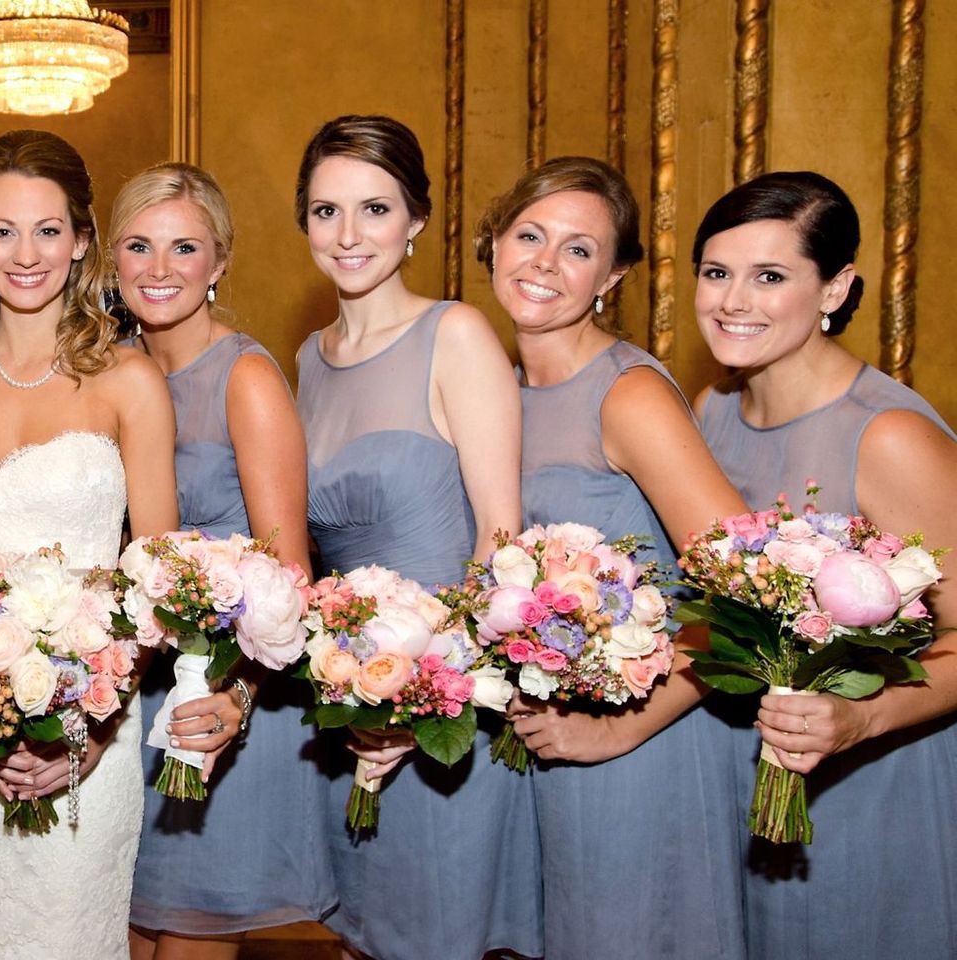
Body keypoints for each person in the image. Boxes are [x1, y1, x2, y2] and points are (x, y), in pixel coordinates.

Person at [0, 129, 178, 959]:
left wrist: (89, 714)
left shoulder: (130, 383)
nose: (26, 253)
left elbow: (154, 571)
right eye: (4, 230)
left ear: (82, 241)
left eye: (48, 230)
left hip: (93, 723)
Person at [480, 156, 751, 959]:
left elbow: (753, 596)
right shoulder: (492, 389)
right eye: (529, 234)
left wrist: (625, 730)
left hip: (641, 747)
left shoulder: (627, 395)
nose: (543, 263)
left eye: (578, 249)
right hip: (537, 744)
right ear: (493, 242)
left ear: (614, 275)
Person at [690, 171, 957, 959]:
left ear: (836, 288)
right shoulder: (711, 410)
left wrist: (859, 719)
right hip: (740, 774)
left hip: (872, 790)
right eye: (717, 273)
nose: (734, 301)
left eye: (770, 276)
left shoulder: (889, 437)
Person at [291, 114, 540, 960]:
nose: (349, 234)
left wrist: (422, 693)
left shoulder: (456, 335)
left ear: (417, 221)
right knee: (365, 936)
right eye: (326, 211)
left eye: (375, 208)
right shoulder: (307, 361)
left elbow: (503, 540)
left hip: (444, 720)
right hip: (346, 708)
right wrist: (355, 689)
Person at [112, 163, 332, 959]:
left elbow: (290, 577)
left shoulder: (245, 378)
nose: (159, 269)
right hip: (127, 703)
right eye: (139, 246)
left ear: (220, 262)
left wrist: (236, 697)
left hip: (225, 702)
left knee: (191, 941)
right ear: (111, 258)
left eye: (184, 248)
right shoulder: (106, 373)